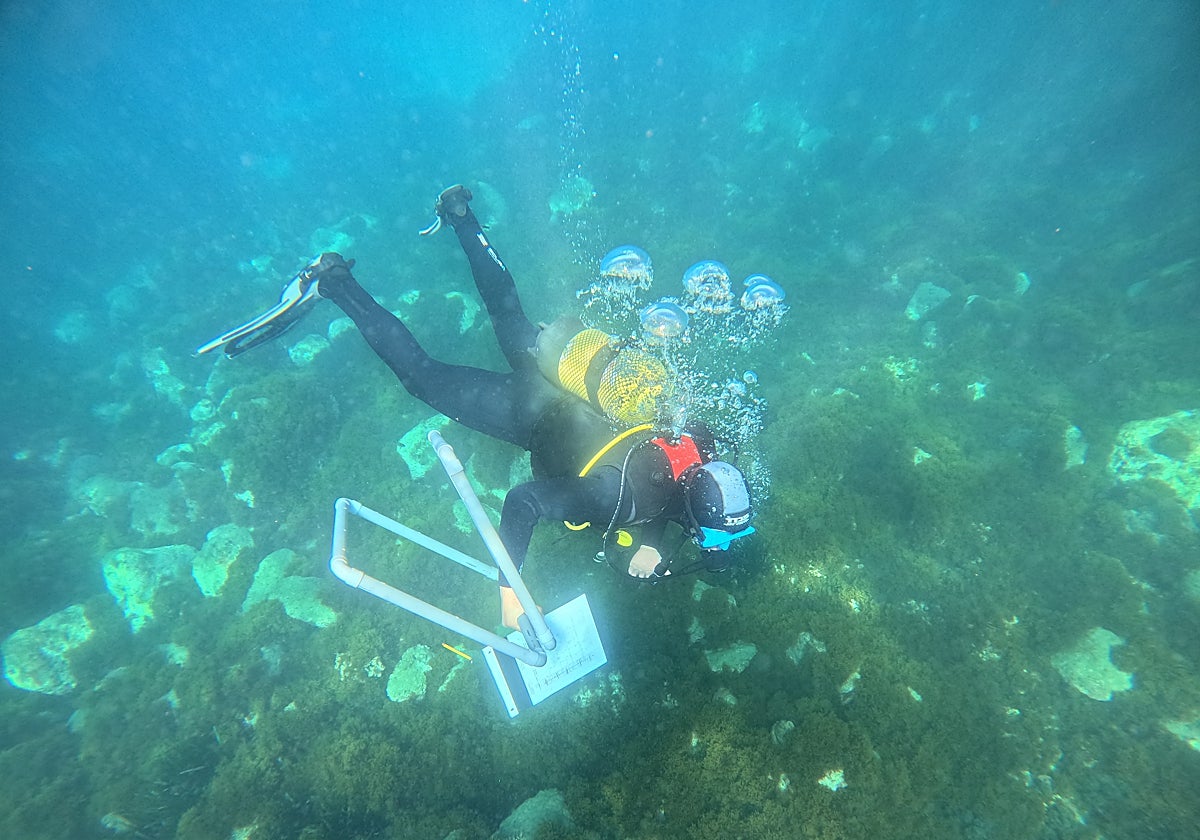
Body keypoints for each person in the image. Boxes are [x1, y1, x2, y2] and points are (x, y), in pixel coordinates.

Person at [197, 185, 755, 630]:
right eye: (722, 535)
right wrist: (511, 591)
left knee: (508, 314)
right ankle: (332, 282)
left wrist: (653, 544)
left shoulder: (696, 445)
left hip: (556, 368)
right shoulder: (615, 497)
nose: (720, 545)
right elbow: (523, 502)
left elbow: (673, 499)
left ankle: (460, 212)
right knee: (422, 378)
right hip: (530, 409)